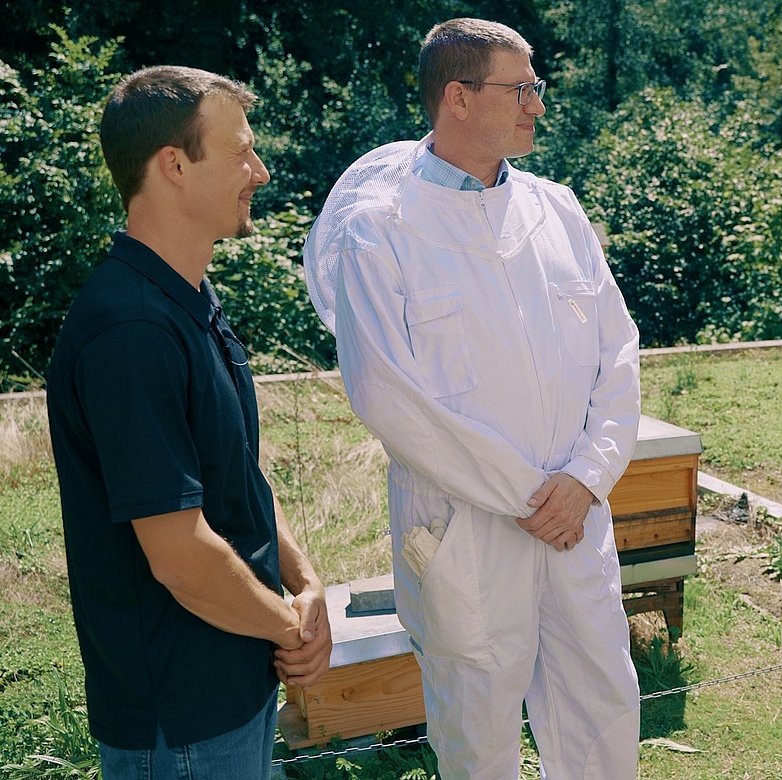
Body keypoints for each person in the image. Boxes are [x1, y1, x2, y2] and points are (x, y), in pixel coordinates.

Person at [302, 17, 641, 780]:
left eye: (536, 87)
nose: (538, 105)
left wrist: (586, 477)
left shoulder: (558, 209)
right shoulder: (380, 231)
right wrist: (531, 494)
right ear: (457, 96)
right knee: (477, 733)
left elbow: (617, 353)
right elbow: (388, 395)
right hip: (465, 531)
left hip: (576, 517)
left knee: (603, 709)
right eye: (521, 88)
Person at [47, 65, 332, 780]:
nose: (259, 172)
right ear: (173, 165)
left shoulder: (188, 298)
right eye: (239, 151)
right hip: (180, 725)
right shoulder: (130, 330)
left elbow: (233, 467)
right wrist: (289, 624)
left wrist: (306, 582)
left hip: (233, 684)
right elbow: (179, 555)